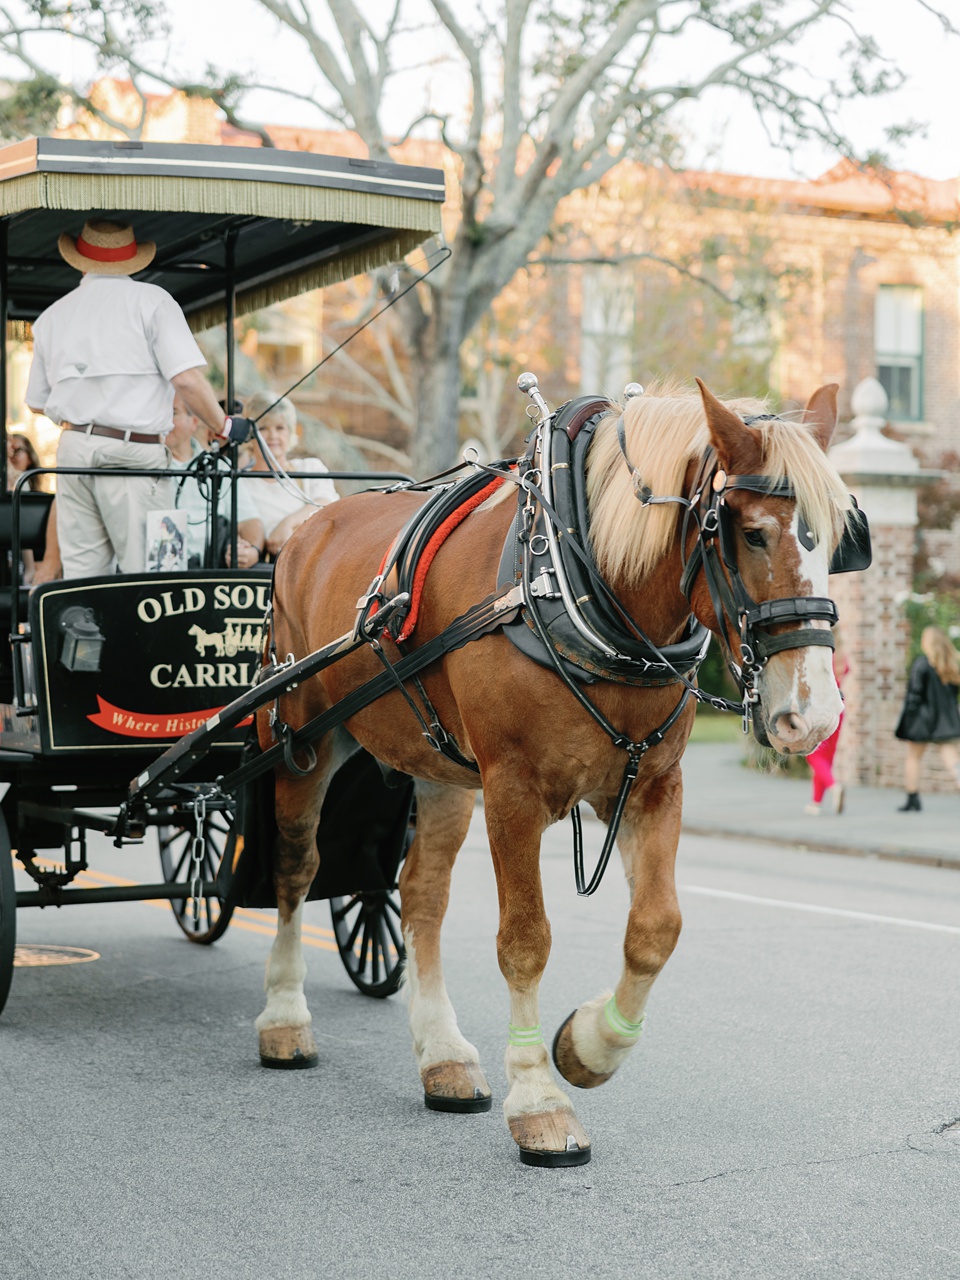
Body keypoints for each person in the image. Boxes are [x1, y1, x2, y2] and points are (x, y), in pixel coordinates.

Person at [25, 219, 254, 579]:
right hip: (132, 453)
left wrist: (87, 410)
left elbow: (37, 402)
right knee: (154, 571)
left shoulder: (51, 317)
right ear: (130, 262)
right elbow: (186, 379)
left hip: (74, 451)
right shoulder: (153, 301)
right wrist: (224, 425)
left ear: (81, 263)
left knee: (84, 576)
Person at [167, 394, 264, 568]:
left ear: (194, 422)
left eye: (173, 413)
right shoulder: (142, 467)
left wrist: (251, 552)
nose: (163, 421)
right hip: (160, 574)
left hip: (211, 570)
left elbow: (250, 520)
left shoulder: (219, 466)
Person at [240, 390, 337, 557]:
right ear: (250, 435)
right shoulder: (242, 482)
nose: (273, 436)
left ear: (290, 432)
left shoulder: (310, 467)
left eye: (280, 428)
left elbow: (328, 504)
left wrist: (288, 523)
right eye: (263, 428)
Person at [894, 625, 960, 811]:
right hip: (945, 721)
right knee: (952, 760)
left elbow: (915, 694)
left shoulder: (922, 664)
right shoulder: (949, 665)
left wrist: (909, 717)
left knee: (913, 757)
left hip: (921, 721)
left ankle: (912, 798)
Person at [804, 627, 850, 815]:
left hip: (820, 706)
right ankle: (816, 803)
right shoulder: (841, 655)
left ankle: (834, 786)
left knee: (813, 754)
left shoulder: (821, 654)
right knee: (826, 758)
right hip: (838, 708)